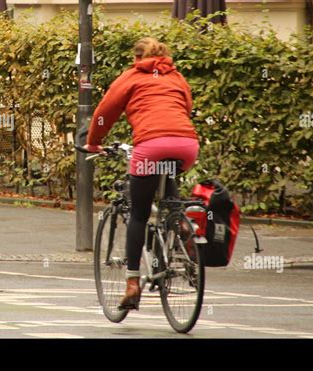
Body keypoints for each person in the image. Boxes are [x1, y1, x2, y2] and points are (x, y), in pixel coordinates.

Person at [84, 37, 199, 310]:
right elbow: (187, 107)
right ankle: (183, 226)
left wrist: (93, 141)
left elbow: (105, 112)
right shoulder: (176, 77)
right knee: (169, 193)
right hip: (186, 145)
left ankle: (132, 283)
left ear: (136, 58)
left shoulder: (132, 77)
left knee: (138, 213)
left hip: (151, 146)